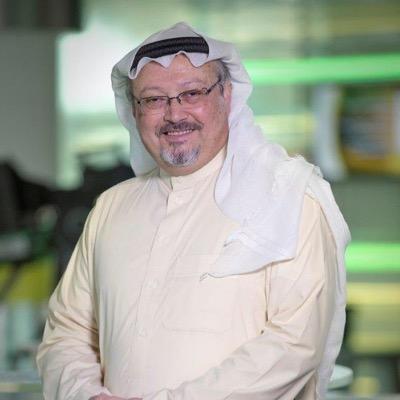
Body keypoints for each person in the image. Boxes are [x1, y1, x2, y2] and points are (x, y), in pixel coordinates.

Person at [37, 22, 350, 400]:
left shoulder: (288, 198)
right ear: (134, 111)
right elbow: (67, 332)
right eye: (153, 99)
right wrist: (86, 395)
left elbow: (294, 346)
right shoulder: (111, 208)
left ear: (227, 96)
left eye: (192, 93)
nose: (174, 114)